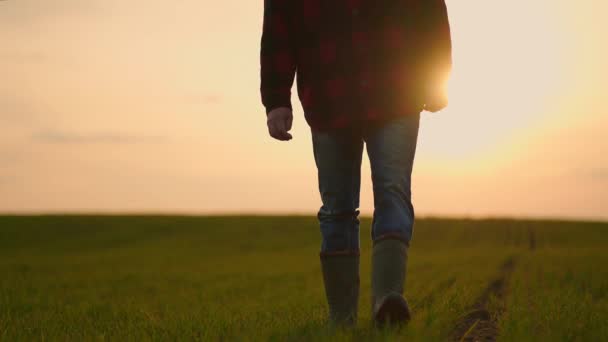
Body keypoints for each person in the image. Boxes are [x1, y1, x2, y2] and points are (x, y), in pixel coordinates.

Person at [260, 0, 452, 327]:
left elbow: (430, 12)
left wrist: (436, 79)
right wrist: (276, 100)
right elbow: (278, 30)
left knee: (392, 192)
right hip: (328, 97)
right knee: (337, 210)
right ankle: (341, 321)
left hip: (397, 93)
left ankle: (386, 303)